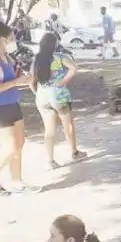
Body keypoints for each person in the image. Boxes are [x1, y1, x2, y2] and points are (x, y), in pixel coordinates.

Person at [0, 21, 38, 195]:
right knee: (11, 147)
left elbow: (10, 82)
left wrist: (24, 80)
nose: (13, 41)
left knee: (19, 145)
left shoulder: (7, 57)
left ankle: (17, 182)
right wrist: (15, 82)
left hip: (12, 103)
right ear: (2, 38)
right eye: (11, 38)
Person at [30, 32, 86, 169]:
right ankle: (74, 152)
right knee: (68, 124)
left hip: (42, 96)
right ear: (54, 44)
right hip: (59, 95)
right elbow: (73, 68)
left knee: (49, 129)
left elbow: (31, 82)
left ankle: (50, 161)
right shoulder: (60, 57)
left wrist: (38, 92)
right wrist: (64, 80)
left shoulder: (36, 60)